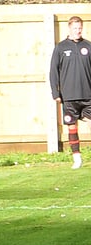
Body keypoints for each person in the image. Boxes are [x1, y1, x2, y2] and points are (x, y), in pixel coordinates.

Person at [50, 15, 91, 170]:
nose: (78, 31)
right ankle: (77, 158)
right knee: (72, 127)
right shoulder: (61, 48)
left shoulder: (88, 46)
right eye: (75, 28)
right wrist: (56, 93)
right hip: (69, 96)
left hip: (88, 95)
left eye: (80, 28)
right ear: (69, 29)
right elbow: (53, 71)